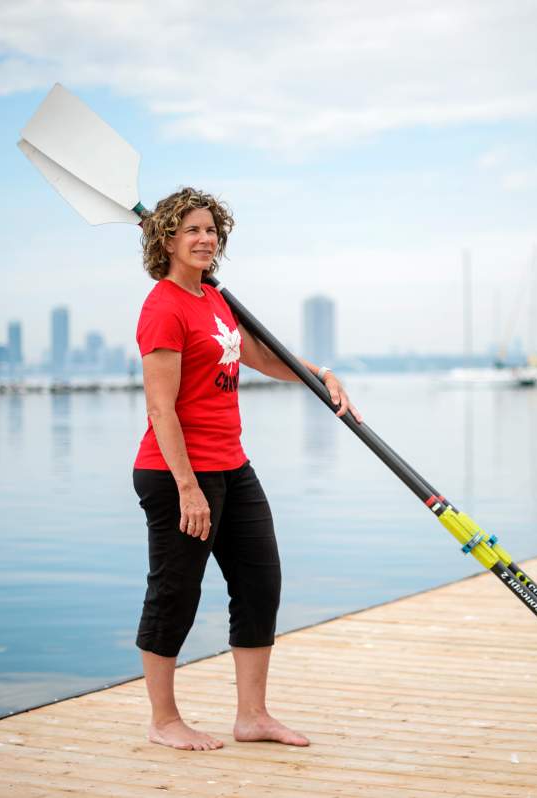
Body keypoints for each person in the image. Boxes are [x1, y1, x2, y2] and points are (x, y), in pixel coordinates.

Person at [133, 187, 360, 751]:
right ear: (166, 240)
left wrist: (319, 374)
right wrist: (188, 487)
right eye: (193, 230)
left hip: (232, 465)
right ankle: (164, 721)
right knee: (175, 593)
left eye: (212, 230)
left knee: (261, 583)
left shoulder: (212, 299)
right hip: (177, 473)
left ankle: (252, 716)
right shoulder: (163, 306)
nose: (206, 238)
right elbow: (160, 407)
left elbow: (258, 355)